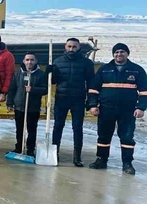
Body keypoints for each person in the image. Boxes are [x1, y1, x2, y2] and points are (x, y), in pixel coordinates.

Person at [87, 43, 147, 175]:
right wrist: (93, 105)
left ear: (127, 54)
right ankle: (101, 160)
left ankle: (127, 163)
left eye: (122, 52)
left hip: (128, 110)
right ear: (113, 54)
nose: (119, 54)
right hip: (106, 109)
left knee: (127, 137)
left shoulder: (137, 70)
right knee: (103, 135)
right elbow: (93, 89)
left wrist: (141, 108)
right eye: (116, 52)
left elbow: (144, 91)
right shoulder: (104, 69)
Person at [48, 37, 95, 167]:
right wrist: (50, 73)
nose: (71, 49)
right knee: (58, 126)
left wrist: (91, 101)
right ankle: (55, 153)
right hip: (61, 99)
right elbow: (53, 81)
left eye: (74, 47)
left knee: (77, 128)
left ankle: (77, 156)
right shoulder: (58, 61)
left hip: (78, 99)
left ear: (79, 48)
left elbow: (91, 82)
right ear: (65, 47)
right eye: (69, 46)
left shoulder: (86, 63)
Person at [6, 53, 47, 157]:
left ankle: (30, 149)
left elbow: (45, 90)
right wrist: (9, 103)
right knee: (19, 129)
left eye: (32, 60)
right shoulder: (17, 74)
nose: (29, 62)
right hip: (19, 107)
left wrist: (33, 89)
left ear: (35, 61)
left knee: (32, 130)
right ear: (24, 61)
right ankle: (19, 147)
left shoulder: (41, 75)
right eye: (27, 60)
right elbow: (12, 89)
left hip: (33, 108)